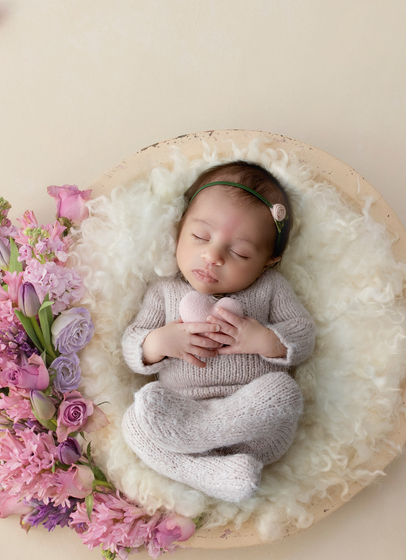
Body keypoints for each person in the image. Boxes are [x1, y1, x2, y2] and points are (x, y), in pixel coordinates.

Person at [121, 161, 315, 502]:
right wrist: (160, 342)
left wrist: (264, 339)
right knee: (135, 419)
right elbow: (132, 345)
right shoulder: (164, 292)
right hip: (179, 413)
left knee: (283, 391)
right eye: (199, 237)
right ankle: (213, 474)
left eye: (239, 252)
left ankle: (203, 438)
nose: (212, 256)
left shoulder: (269, 288)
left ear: (267, 261)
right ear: (179, 231)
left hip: (254, 428)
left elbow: (302, 334)